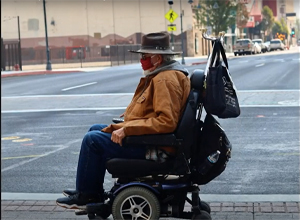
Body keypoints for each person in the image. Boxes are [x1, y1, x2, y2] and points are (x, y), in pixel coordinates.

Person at [56, 31, 191, 209]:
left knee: (92, 141)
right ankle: (90, 191)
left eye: (145, 56)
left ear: (158, 58)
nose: (142, 60)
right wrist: (130, 119)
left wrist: (127, 129)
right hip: (154, 141)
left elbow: (166, 121)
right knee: (95, 129)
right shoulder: (164, 75)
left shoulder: (164, 80)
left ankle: (87, 196)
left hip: (156, 148)